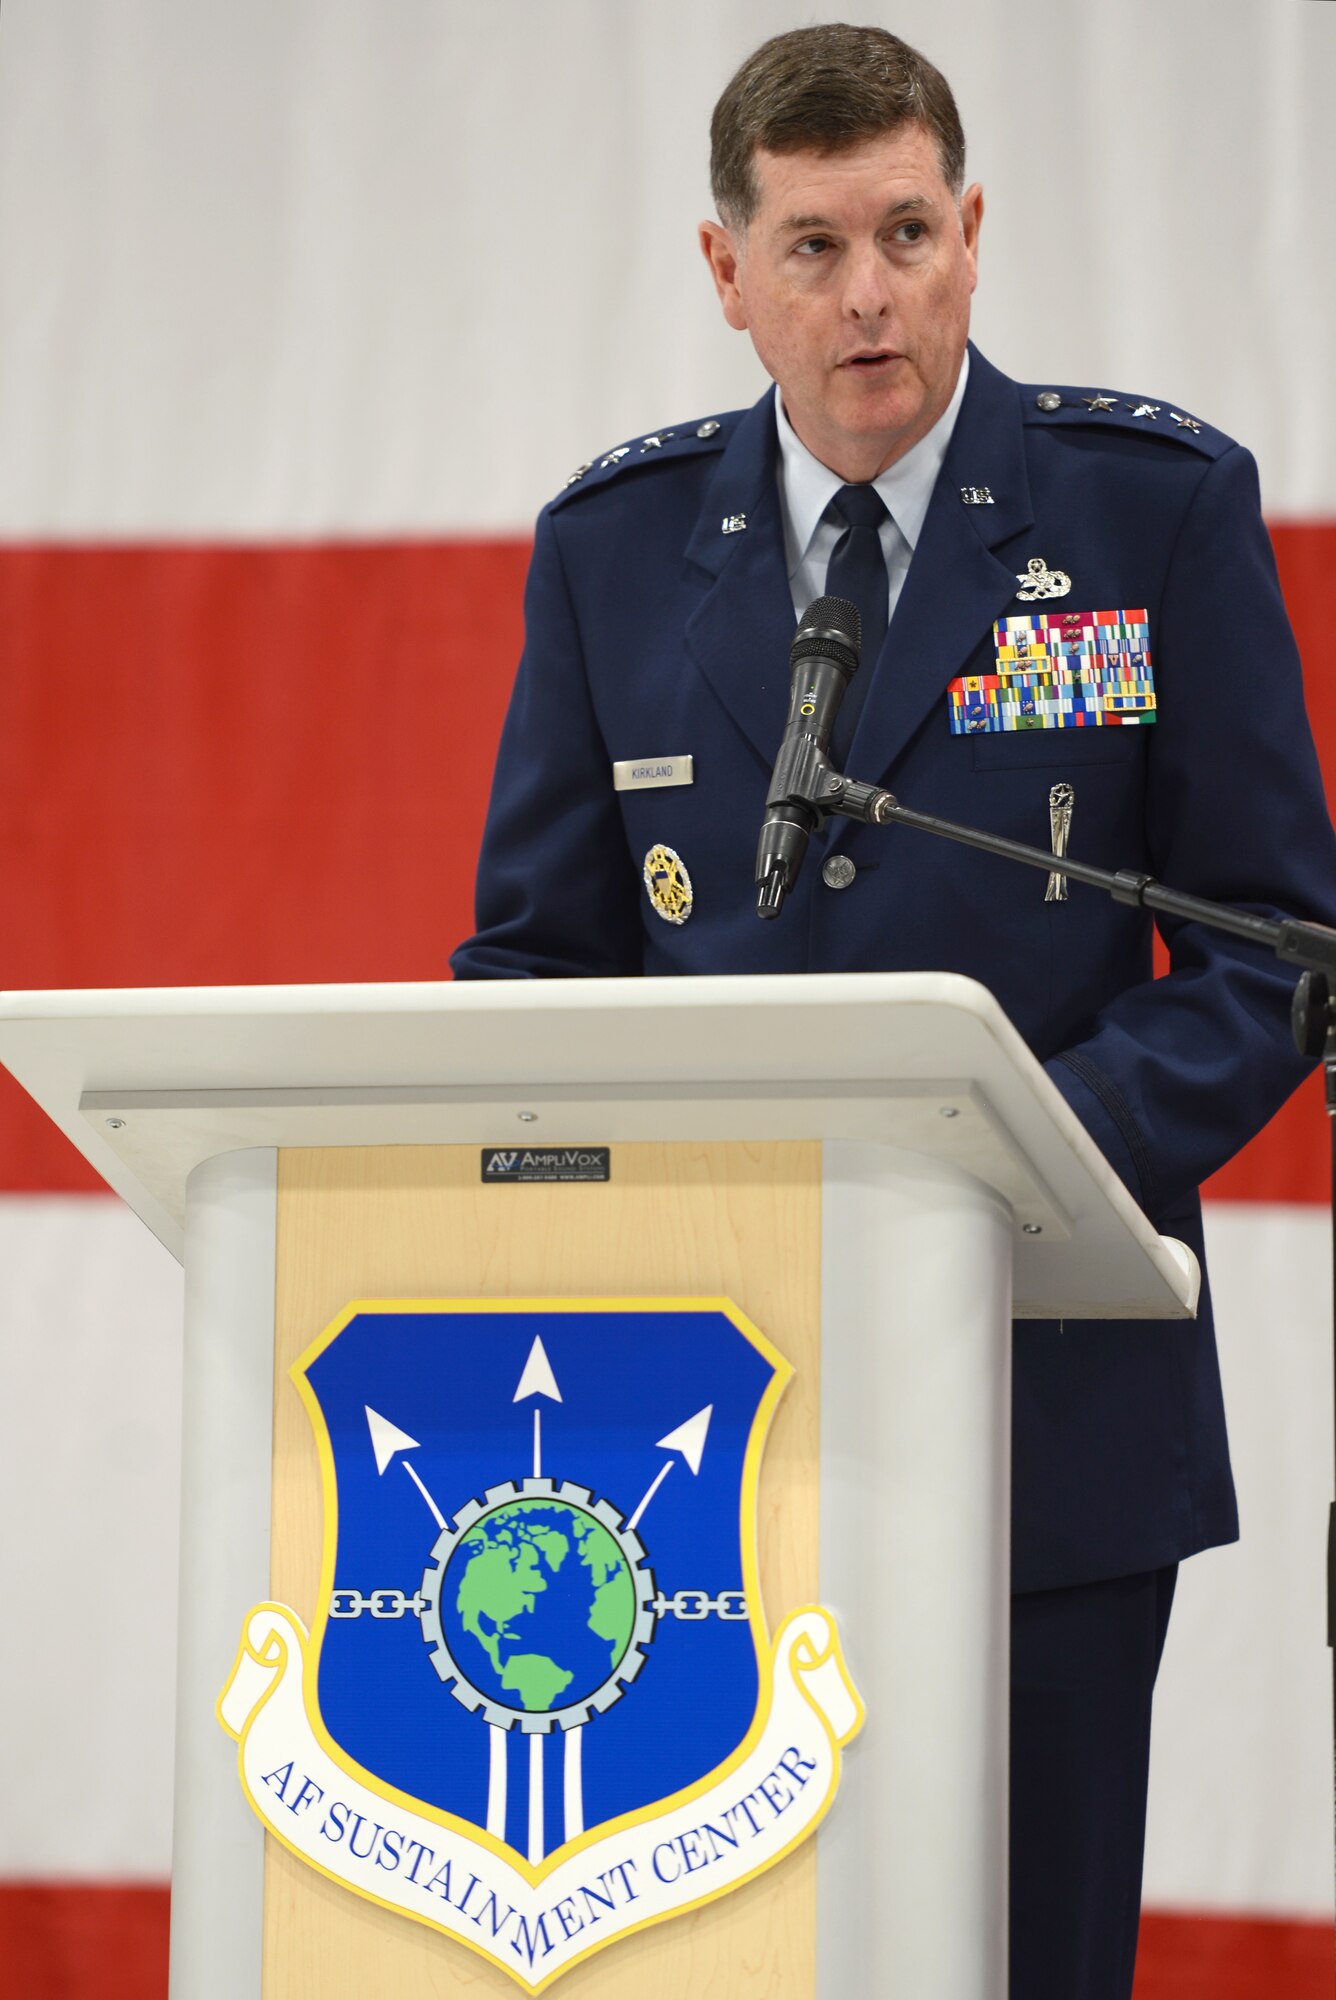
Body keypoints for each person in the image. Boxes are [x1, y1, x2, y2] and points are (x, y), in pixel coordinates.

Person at [451, 22, 1336, 1997]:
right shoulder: (611, 555)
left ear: (970, 234)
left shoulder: (1142, 512)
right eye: (815, 245)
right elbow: (535, 960)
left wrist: (1006, 1166)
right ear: (725, 273)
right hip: (693, 1429)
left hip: (1050, 1407)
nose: (869, 292)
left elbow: (1274, 939)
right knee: (717, 1947)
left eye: (909, 233)